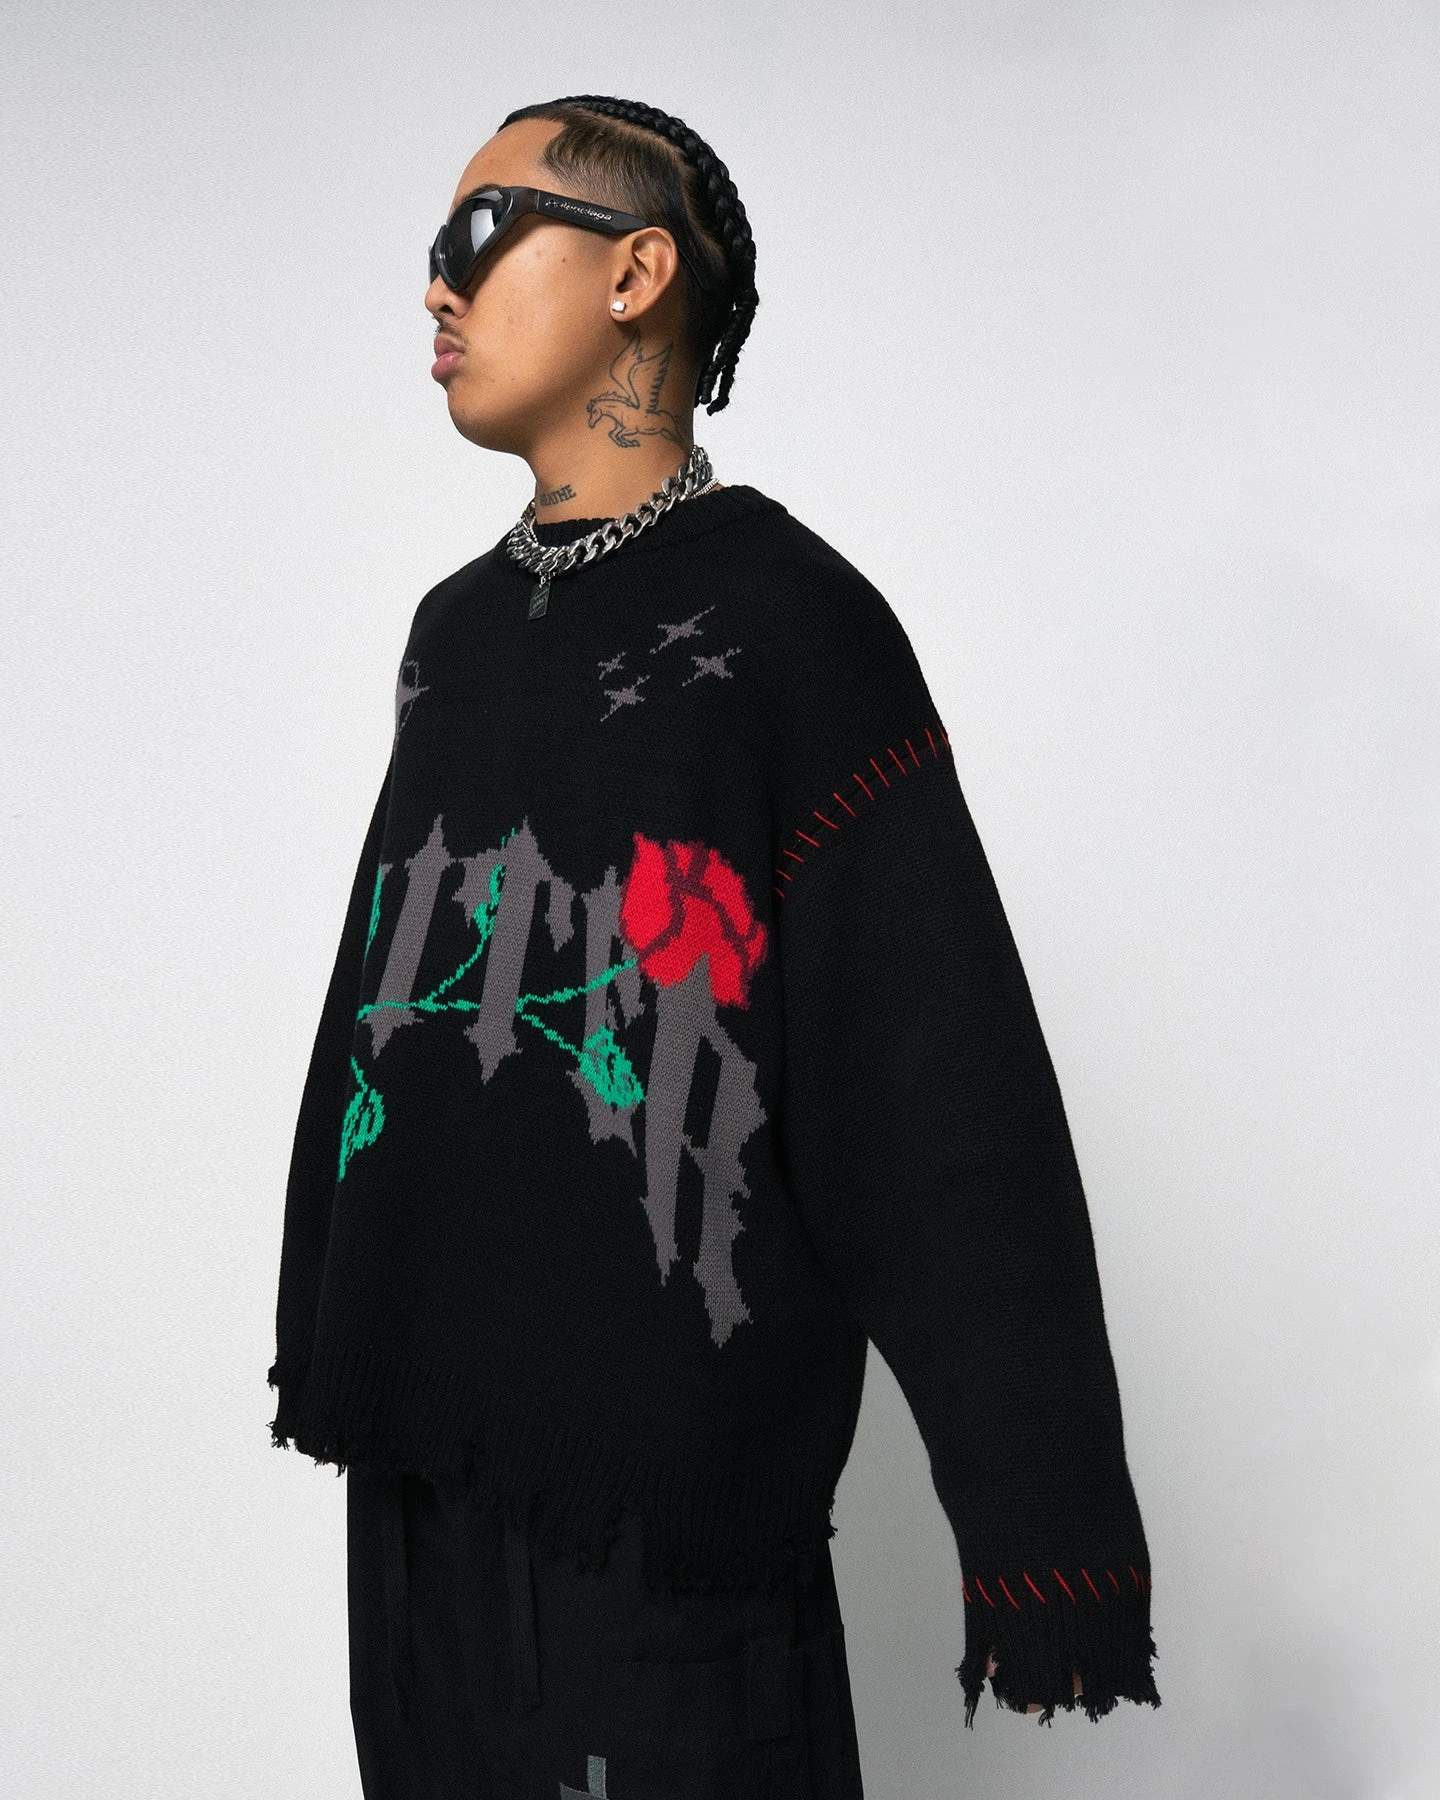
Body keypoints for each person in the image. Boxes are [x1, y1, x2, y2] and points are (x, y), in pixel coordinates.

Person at [267, 94, 1162, 1799]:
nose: (437, 287)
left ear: (636, 275)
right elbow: (382, 993)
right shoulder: (454, 634)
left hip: (670, 1533)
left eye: (478, 236)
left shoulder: (794, 626)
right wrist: (332, 1310)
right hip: (425, 1502)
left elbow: (936, 1088)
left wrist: (1044, 1540)